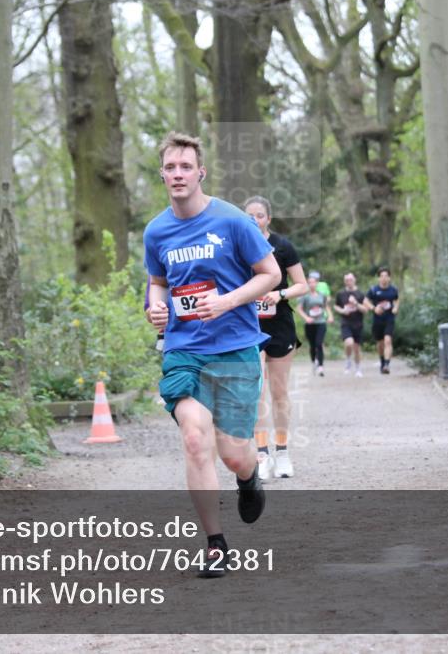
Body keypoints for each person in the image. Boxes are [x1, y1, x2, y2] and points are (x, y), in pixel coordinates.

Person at [144, 132, 281, 578]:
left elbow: (271, 274)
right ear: (162, 175)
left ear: (200, 172)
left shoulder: (233, 221)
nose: (178, 174)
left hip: (235, 349)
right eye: (170, 167)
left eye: (186, 167)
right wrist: (154, 306)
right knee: (194, 438)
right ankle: (215, 544)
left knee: (234, 454)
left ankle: (248, 477)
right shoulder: (156, 231)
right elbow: (157, 282)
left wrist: (227, 301)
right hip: (184, 350)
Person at [243, 196, 309, 481]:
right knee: (256, 392)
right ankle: (262, 455)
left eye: (259, 215)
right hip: (249, 327)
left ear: (268, 218)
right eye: (249, 216)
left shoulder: (282, 246)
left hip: (280, 326)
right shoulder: (239, 246)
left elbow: (302, 285)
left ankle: (282, 452)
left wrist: (279, 294)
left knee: (279, 393)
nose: (254, 220)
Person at [363, 266, 400, 374]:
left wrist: (396, 308)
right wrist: (373, 308)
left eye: (386, 276)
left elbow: (396, 300)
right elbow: (365, 301)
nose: (384, 278)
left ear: (389, 278)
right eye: (382, 276)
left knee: (388, 340)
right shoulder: (374, 290)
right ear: (378, 278)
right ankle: (382, 361)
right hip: (378, 320)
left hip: (389, 319)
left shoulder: (393, 290)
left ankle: (387, 365)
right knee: (380, 343)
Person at [297, 270, 332, 377]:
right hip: (310, 324)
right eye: (309, 282)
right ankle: (314, 362)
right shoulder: (305, 296)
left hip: (321, 322)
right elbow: (299, 309)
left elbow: (326, 306)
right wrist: (306, 318)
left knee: (319, 343)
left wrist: (330, 316)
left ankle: (321, 367)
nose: (312, 284)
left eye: (313, 282)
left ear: (317, 283)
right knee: (312, 345)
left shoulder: (322, 295)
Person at [333, 272, 367, 378]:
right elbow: (336, 306)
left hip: (358, 324)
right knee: (349, 343)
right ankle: (348, 360)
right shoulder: (341, 293)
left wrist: (356, 303)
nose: (349, 282)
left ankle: (358, 368)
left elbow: (365, 309)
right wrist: (342, 311)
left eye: (351, 279)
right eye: (347, 280)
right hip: (346, 323)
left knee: (356, 348)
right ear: (344, 282)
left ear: (355, 280)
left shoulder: (360, 294)